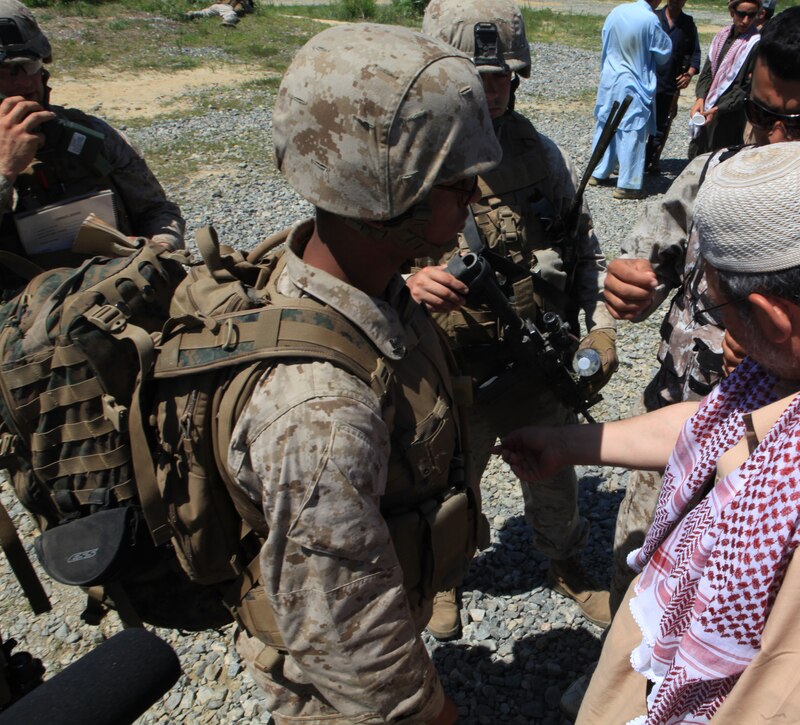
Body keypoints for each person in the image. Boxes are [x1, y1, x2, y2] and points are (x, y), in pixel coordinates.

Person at [501, 142, 800, 724]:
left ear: (776, 319)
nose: (721, 327)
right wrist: (565, 444)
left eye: (721, 310)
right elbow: (721, 426)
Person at [603, 3, 800, 616]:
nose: (773, 139)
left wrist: (786, 368)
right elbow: (638, 270)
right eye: (760, 113)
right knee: (636, 582)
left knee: (734, 618)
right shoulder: (706, 178)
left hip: (780, 476)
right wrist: (627, 291)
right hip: (670, 439)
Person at [226, 24, 502, 723]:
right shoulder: (321, 413)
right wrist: (429, 711)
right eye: (455, 181)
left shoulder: (376, 286)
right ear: (383, 200)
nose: (475, 195)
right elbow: (344, 635)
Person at [414, 0, 617, 636]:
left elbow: (583, 245)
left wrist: (602, 323)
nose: (492, 90)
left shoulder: (537, 154)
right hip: (449, 371)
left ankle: (565, 564)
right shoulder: (409, 160)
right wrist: (407, 283)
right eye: (476, 77)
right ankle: (443, 579)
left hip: (534, 360)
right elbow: (355, 257)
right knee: (447, 489)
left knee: (556, 479)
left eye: (502, 76)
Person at [0, 0, 184, 297]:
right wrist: (5, 171)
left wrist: (161, 247)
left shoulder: (92, 136)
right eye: (5, 70)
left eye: (29, 64)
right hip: (23, 321)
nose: (23, 80)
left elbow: (157, 210)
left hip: (119, 295)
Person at [588, 0, 671, 200]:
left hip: (611, 76)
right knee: (632, 130)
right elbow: (663, 54)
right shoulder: (650, 19)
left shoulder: (616, 12)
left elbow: (605, 40)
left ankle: (599, 171)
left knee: (606, 123)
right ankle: (628, 183)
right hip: (633, 80)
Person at [687, 0, 760, 159]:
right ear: (732, 12)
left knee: (719, 158)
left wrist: (719, 108)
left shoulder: (755, 44)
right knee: (698, 155)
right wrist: (700, 98)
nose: (745, 20)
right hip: (707, 107)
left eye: (751, 15)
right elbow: (708, 71)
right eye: (741, 14)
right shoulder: (722, 36)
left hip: (729, 115)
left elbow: (745, 88)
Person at [645, 0, 700, 175]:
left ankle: (651, 160)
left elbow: (695, 53)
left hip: (671, 83)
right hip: (647, 81)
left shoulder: (688, 23)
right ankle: (629, 161)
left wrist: (689, 74)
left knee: (662, 124)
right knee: (640, 123)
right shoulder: (653, 18)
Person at [185, 0, 253, 28]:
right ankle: (228, 21)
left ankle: (192, 14)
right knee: (231, 14)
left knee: (204, 13)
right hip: (226, 6)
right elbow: (248, 10)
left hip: (215, 6)